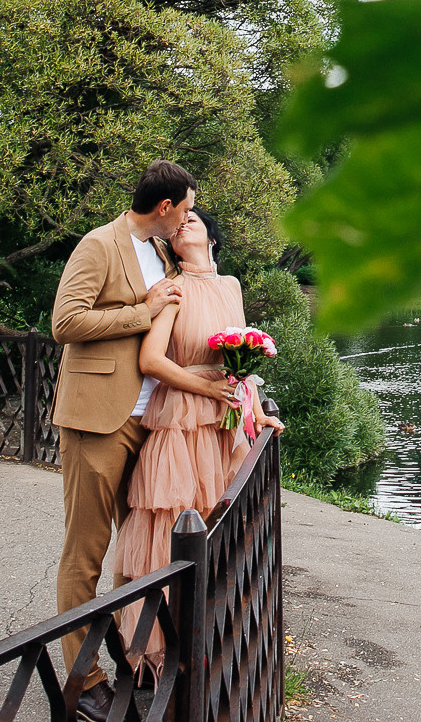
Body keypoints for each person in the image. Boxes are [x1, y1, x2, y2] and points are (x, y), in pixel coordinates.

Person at [50, 160, 227, 721]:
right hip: (97, 418)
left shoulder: (160, 254)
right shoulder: (100, 245)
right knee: (87, 552)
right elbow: (65, 323)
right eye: (188, 207)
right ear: (167, 206)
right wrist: (140, 311)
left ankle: (135, 655)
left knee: (136, 549)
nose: (190, 217)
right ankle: (84, 683)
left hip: (146, 422)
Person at [114, 207, 282, 675]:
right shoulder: (171, 289)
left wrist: (253, 412)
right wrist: (204, 386)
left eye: (193, 219)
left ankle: (213, 644)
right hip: (181, 418)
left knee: (219, 525)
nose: (183, 223)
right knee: (172, 530)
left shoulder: (231, 286)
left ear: (212, 234)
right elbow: (151, 360)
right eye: (179, 221)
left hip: (222, 424)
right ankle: (164, 659)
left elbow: (239, 366)